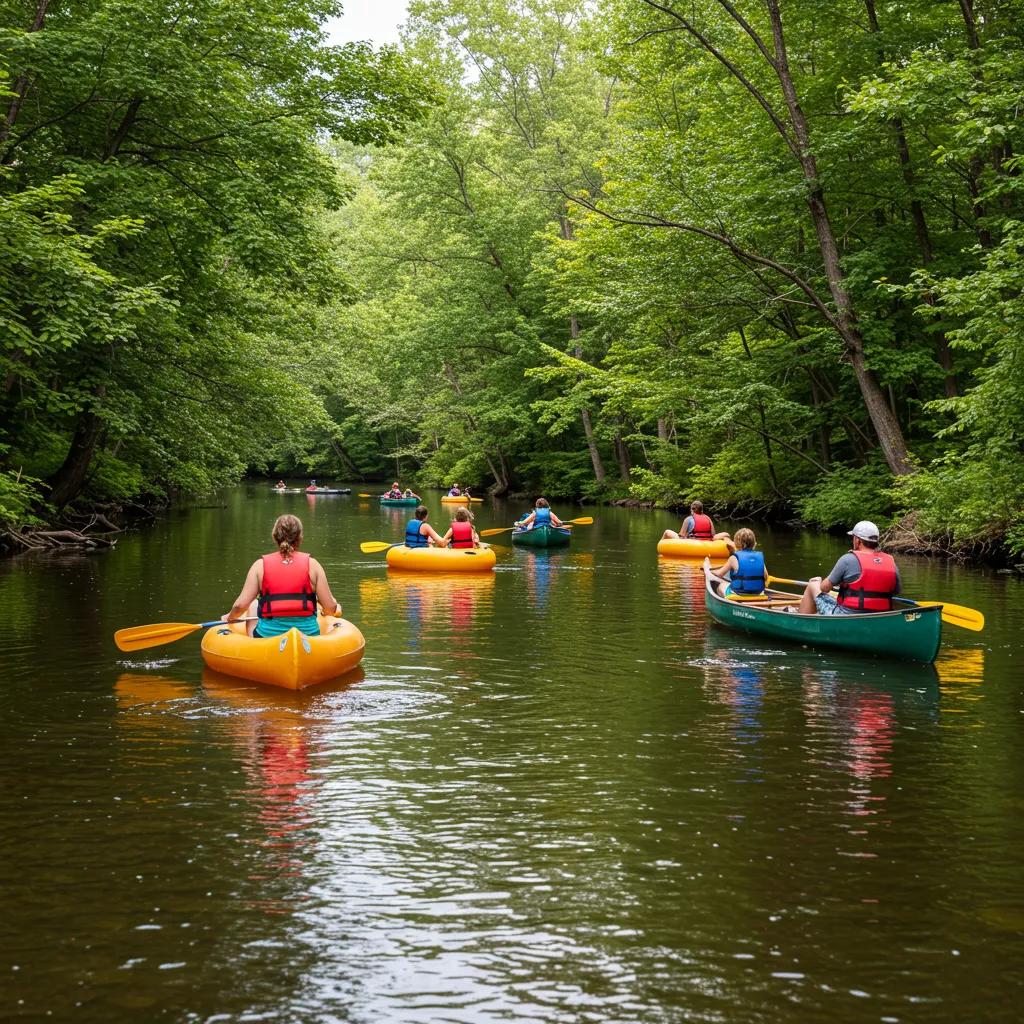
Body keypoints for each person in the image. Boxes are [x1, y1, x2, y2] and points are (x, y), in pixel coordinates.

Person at [222, 514, 341, 638]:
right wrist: (330, 607)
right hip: (308, 635)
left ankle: (255, 643)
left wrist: (229, 618)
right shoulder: (314, 565)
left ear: (274, 537)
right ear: (300, 538)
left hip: (268, 636)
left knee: (253, 605)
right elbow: (330, 608)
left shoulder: (259, 566)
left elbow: (239, 606)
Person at [798, 520, 901, 616]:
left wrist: (820, 581)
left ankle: (802, 624)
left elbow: (824, 588)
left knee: (813, 584)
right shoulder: (891, 562)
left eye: (853, 537)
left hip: (847, 615)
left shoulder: (848, 559)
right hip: (880, 615)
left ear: (858, 541)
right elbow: (896, 590)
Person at [710, 528, 766, 596]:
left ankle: (728, 604)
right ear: (754, 542)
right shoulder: (759, 557)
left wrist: (710, 571)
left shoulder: (734, 558)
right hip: (758, 593)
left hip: (739, 593)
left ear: (736, 543)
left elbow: (719, 574)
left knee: (721, 586)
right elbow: (765, 576)